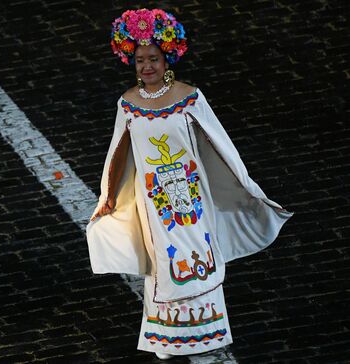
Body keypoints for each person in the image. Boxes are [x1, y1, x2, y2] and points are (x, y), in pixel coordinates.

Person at [86, 8, 293, 360]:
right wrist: (108, 197)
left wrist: (246, 187)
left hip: (190, 195)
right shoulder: (128, 104)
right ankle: (165, 338)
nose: (146, 67)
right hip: (153, 200)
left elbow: (220, 144)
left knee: (197, 257)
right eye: (140, 60)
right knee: (163, 262)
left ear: (167, 60)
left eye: (153, 59)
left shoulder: (189, 97)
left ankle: (206, 333)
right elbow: (117, 154)